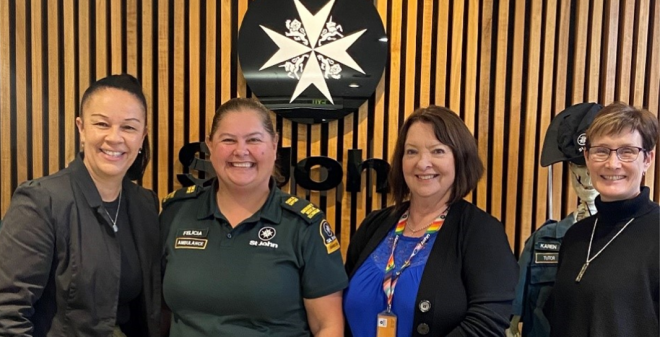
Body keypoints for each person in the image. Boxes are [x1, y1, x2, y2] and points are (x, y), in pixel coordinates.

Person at [160, 97, 347, 336]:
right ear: (210, 145)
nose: (241, 151)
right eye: (228, 140)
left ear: (274, 144)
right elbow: (158, 311)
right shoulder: (176, 212)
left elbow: (327, 326)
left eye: (253, 140)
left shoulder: (303, 225)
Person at [0, 74, 161, 337]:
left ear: (142, 137)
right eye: (101, 124)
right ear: (81, 128)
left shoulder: (145, 205)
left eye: (129, 128)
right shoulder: (41, 202)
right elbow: (7, 313)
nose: (114, 138)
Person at [344, 105, 518, 337]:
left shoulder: (482, 231)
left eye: (437, 151)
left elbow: (487, 322)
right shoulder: (374, 225)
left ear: (460, 158)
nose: (422, 163)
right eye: (411, 151)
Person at [545, 102, 659, 336]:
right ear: (587, 157)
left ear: (647, 158)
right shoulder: (575, 236)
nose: (612, 163)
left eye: (627, 151)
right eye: (601, 150)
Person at [508, 102, 602, 337]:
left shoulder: (633, 240)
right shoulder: (543, 239)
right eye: (578, 169)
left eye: (593, 168)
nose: (586, 178)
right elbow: (513, 321)